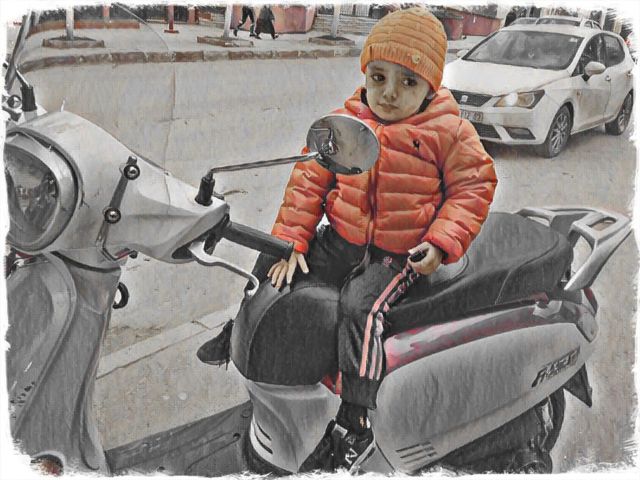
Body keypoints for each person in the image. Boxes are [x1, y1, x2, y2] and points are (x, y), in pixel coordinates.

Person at [198, 7, 497, 471]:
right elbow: (308, 183)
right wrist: (293, 239)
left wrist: (440, 242)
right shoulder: (345, 123)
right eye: (379, 78)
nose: (389, 93)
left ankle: (355, 417)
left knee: (361, 308)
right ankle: (239, 326)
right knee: (273, 259)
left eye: (408, 82)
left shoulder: (449, 133)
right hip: (340, 239)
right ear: (365, 74)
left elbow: (473, 187)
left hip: (396, 256)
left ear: (430, 87)